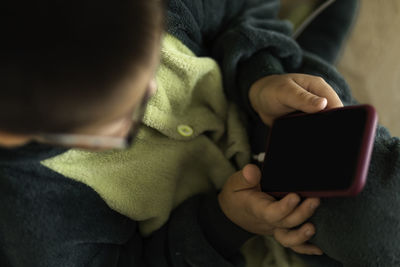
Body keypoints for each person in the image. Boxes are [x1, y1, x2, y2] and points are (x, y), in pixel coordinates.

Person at [1, 0, 399, 267]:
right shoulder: (36, 225)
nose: (156, 90)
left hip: (270, 109)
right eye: (129, 111)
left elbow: (245, 9)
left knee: (381, 216)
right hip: (225, 236)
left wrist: (261, 77)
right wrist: (225, 222)